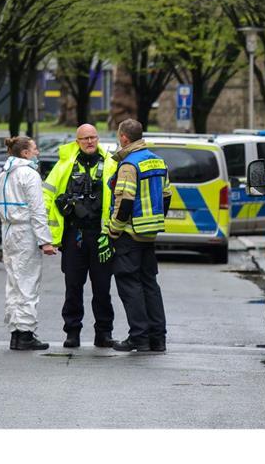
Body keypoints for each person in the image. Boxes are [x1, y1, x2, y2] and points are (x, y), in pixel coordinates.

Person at [45, 124, 118, 348]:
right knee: (73, 287)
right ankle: (72, 332)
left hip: (101, 235)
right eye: (85, 138)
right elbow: (47, 196)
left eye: (93, 137)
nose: (90, 142)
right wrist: (48, 234)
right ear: (77, 141)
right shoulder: (64, 164)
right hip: (74, 235)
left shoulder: (111, 163)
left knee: (102, 288)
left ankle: (104, 333)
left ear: (98, 139)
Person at [108, 119, 171, 353]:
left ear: (124, 138)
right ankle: (158, 339)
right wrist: (154, 221)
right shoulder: (158, 161)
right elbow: (166, 196)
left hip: (130, 234)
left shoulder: (128, 165)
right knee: (150, 285)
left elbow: (124, 202)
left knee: (130, 286)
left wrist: (114, 230)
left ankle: (139, 337)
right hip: (149, 233)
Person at [0, 136, 57, 351]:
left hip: (8, 231)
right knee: (28, 283)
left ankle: (16, 331)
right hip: (25, 233)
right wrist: (45, 241)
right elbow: (37, 210)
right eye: (34, 149)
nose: (38, 152)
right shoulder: (29, 174)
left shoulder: (4, 174)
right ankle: (25, 333)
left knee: (14, 283)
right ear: (25, 153)